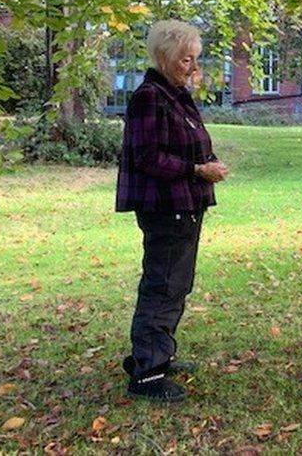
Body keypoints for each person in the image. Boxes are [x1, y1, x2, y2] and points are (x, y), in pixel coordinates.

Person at [115, 20, 229, 402]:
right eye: (186, 60)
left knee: (176, 284)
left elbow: (183, 143)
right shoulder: (150, 96)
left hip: (186, 204)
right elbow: (147, 157)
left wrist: (206, 161)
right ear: (165, 58)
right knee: (163, 285)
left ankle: (157, 355)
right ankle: (147, 375)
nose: (193, 68)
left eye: (195, 59)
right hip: (166, 207)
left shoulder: (175, 94)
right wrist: (197, 169)